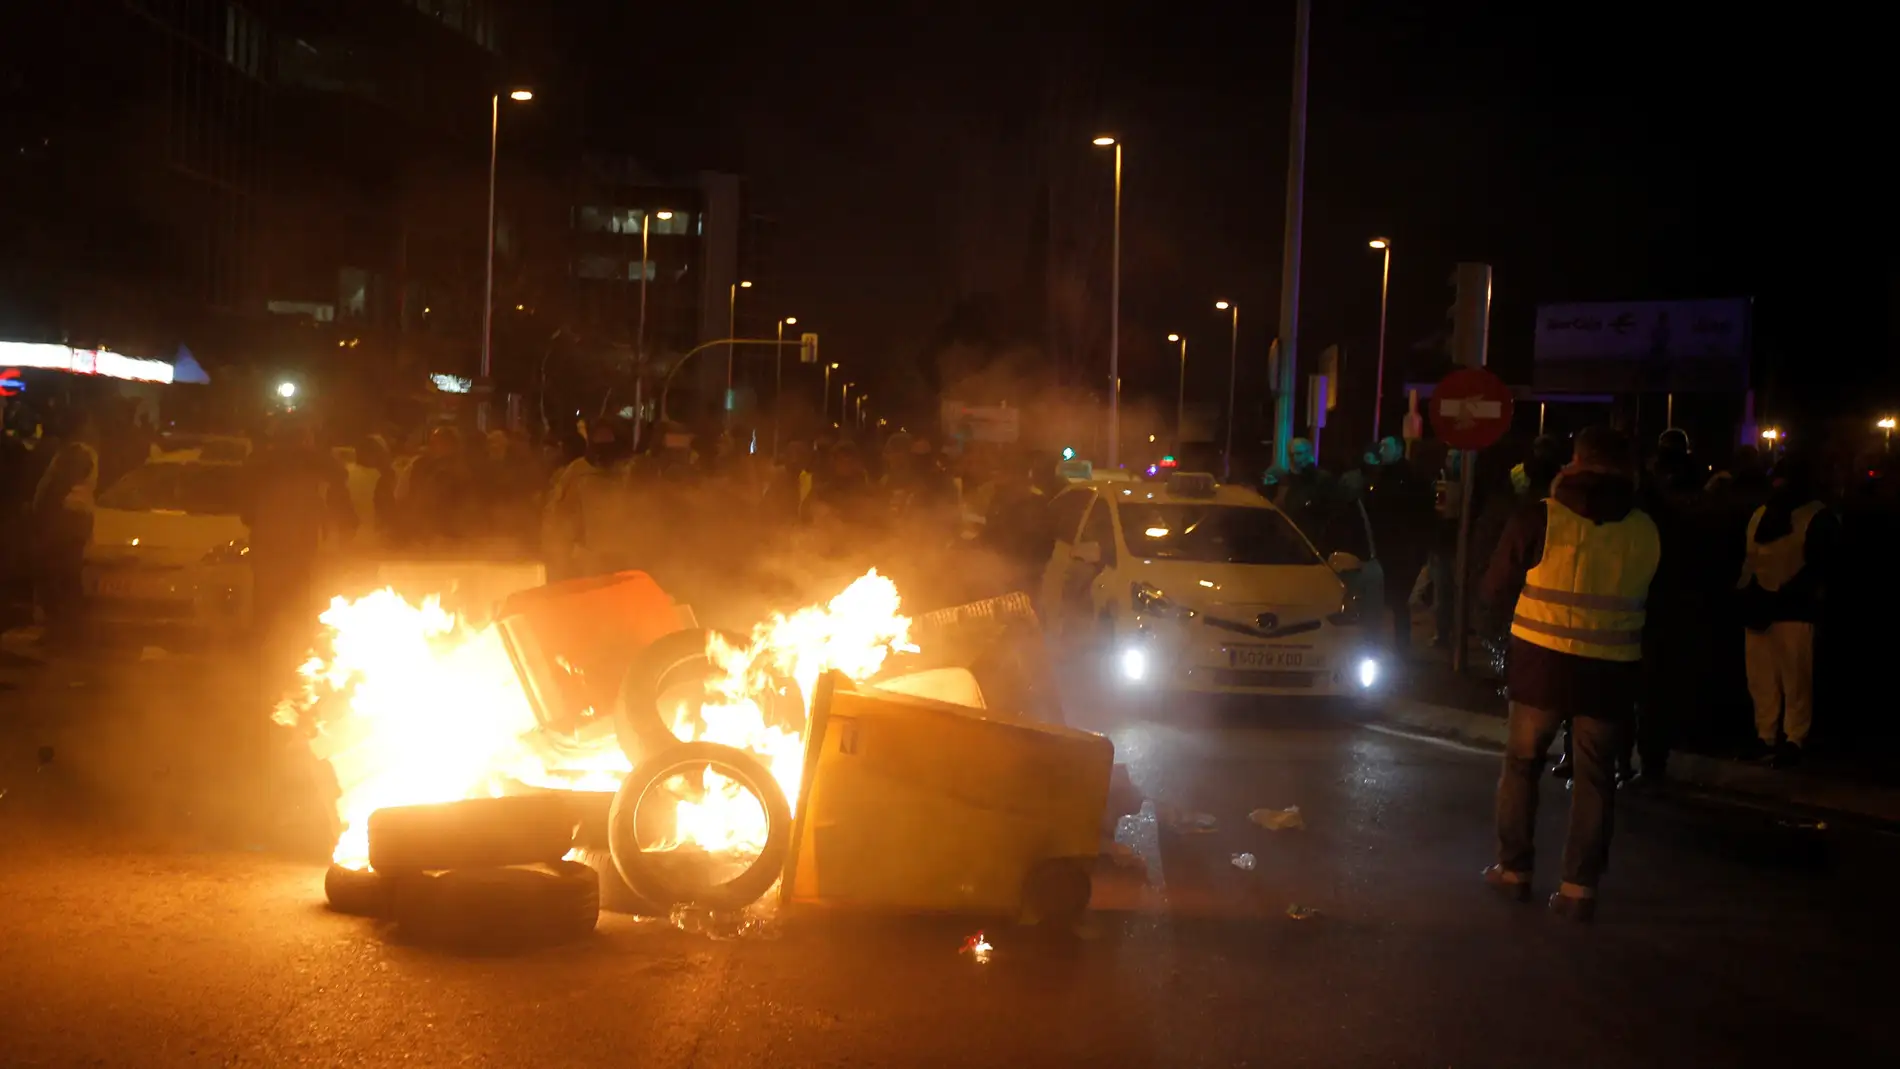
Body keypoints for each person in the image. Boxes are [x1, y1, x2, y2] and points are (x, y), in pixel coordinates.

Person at [1480, 426, 1660, 922]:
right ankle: (1580, 888)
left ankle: (1513, 871)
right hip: (1610, 674)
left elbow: (1494, 588)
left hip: (1541, 666)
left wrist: (1500, 645)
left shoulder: (1540, 516)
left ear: (1574, 462)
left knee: (1521, 766)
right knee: (1595, 779)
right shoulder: (1646, 528)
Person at [1736, 452, 1837, 768]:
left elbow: (1822, 567)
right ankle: (1770, 735)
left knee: (1793, 678)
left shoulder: (1809, 516)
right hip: (1770, 607)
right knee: (1765, 678)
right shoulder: (1787, 514)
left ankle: (1792, 738)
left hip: (1790, 608)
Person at [30, 417, 100, 645]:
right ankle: (64, 630)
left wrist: (46, 512)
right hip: (66, 521)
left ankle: (66, 632)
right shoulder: (77, 452)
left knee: (61, 577)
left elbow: (59, 485)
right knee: (61, 577)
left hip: (67, 520)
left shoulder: (77, 453)